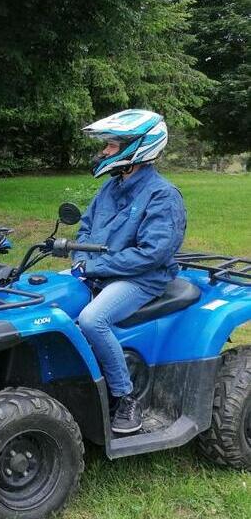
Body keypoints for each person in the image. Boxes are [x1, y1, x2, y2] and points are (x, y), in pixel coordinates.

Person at [72, 109, 186, 435]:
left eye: (110, 146)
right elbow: (86, 227)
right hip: (103, 270)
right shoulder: (111, 188)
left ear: (136, 147)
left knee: (93, 319)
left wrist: (97, 266)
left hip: (143, 278)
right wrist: (80, 256)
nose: (104, 152)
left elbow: (154, 253)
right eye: (106, 146)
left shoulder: (163, 195)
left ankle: (126, 397)